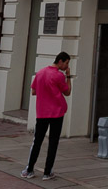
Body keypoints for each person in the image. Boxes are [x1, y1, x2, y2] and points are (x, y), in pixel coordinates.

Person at [21, 52, 72, 180]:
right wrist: (68, 77)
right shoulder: (59, 76)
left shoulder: (40, 72)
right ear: (60, 61)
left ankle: (29, 169)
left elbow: (33, 91)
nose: (66, 66)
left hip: (42, 112)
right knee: (53, 142)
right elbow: (67, 92)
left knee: (37, 141)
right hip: (56, 113)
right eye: (66, 63)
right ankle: (47, 172)